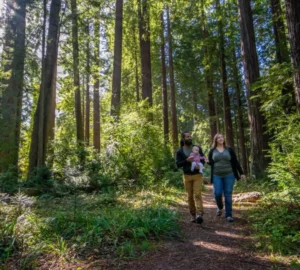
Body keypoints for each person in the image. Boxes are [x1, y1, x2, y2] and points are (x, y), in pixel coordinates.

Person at [206, 134, 245, 222]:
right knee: (218, 193)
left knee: (228, 194)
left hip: (229, 175)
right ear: (215, 140)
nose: (221, 138)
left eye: (222, 137)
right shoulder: (212, 151)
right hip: (217, 175)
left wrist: (241, 173)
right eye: (218, 138)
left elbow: (235, 161)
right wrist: (208, 162)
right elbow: (211, 162)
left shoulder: (229, 150)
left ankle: (229, 215)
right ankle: (220, 207)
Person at [176, 132, 205, 224]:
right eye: (187, 137)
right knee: (190, 196)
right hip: (187, 176)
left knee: (197, 194)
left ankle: (199, 214)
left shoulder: (197, 148)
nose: (189, 138)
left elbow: (203, 160)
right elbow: (178, 164)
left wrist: (200, 166)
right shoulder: (180, 151)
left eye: (190, 136)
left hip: (197, 175)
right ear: (183, 139)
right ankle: (193, 214)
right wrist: (186, 160)